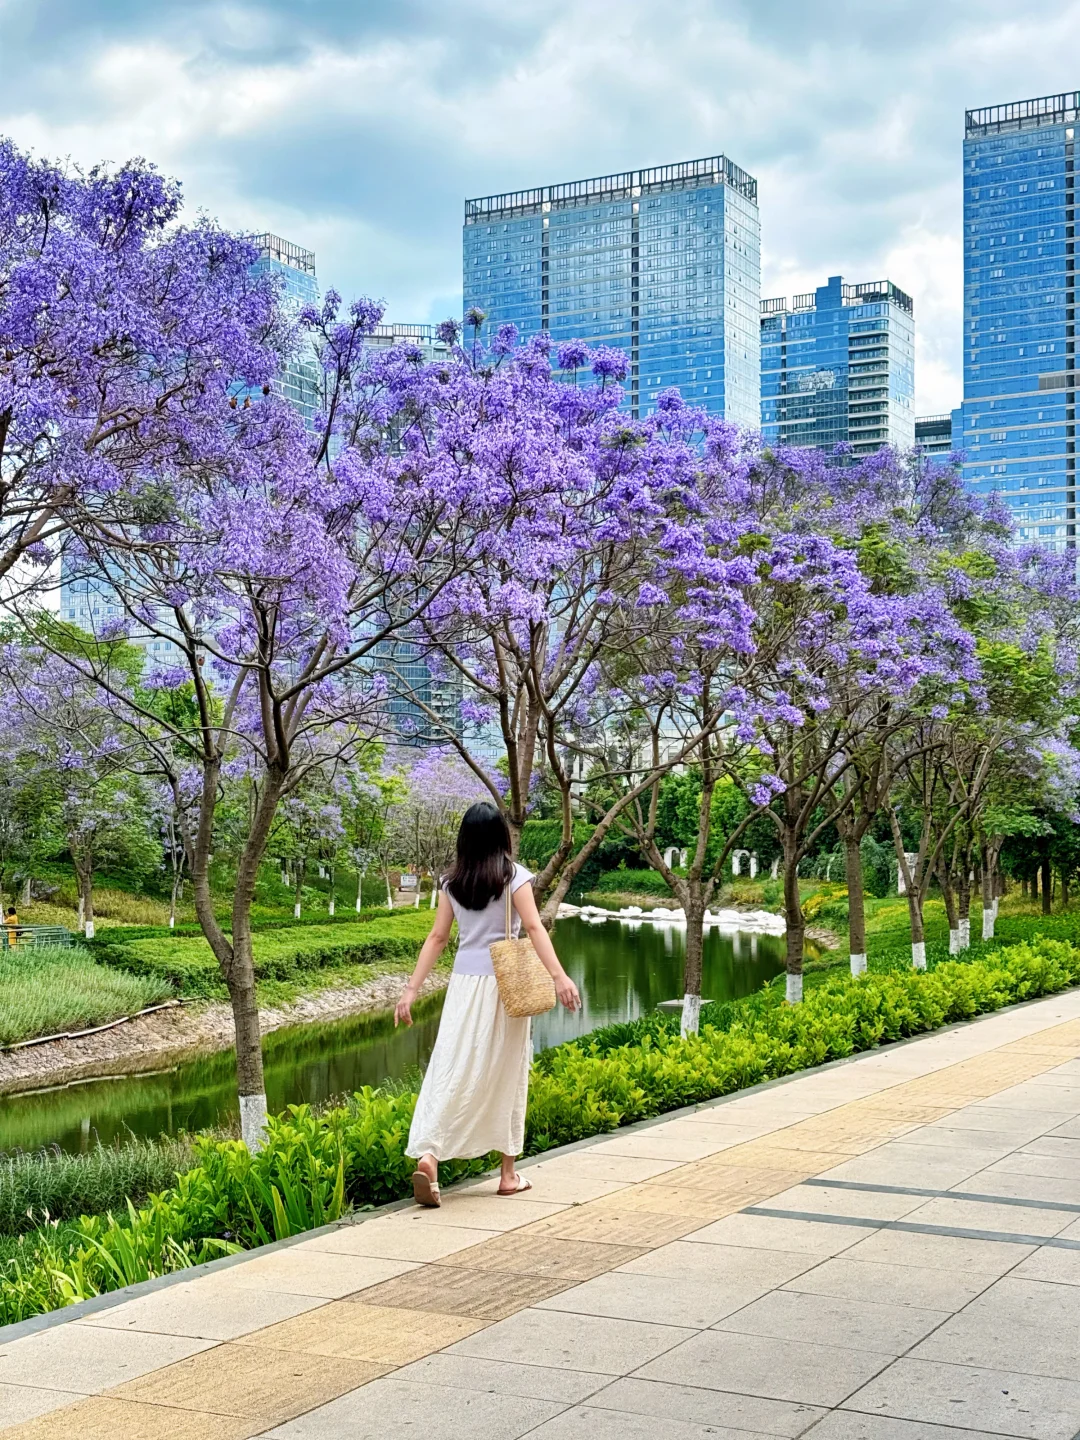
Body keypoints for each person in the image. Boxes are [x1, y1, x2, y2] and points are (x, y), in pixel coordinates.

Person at [395, 801, 580, 1206]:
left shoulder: (450, 882)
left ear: (463, 839)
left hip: (464, 984)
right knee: (508, 1072)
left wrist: (411, 990)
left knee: (453, 1066)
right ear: (501, 836)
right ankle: (508, 1174)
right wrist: (559, 976)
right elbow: (533, 927)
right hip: (507, 985)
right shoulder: (515, 878)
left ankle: (431, 1154)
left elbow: (438, 938)